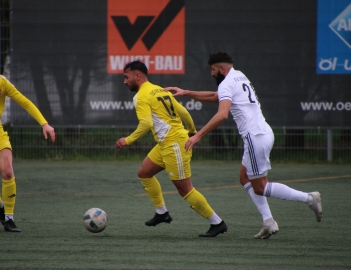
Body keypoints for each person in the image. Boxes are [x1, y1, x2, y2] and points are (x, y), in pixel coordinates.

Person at [165, 52, 323, 239]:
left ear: (221, 69)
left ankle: (309, 198)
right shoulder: (239, 75)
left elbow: (222, 114)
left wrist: (197, 135)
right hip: (261, 133)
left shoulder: (226, 83)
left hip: (255, 137)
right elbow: (217, 96)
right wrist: (186, 92)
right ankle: (268, 222)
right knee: (244, 177)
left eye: (213, 69)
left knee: (260, 187)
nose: (211, 73)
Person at [116, 60, 227, 237]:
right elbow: (183, 112)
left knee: (185, 189)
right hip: (166, 143)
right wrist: (192, 131)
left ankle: (217, 222)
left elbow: (146, 123)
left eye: (126, 76)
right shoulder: (159, 89)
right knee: (144, 172)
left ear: (137, 75)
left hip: (174, 144)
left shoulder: (141, 96)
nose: (124, 81)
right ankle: (162, 213)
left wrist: (127, 140)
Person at [0, 48, 55, 232]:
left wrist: (44, 123)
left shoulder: (1, 83)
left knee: (7, 171)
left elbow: (24, 102)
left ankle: (9, 218)